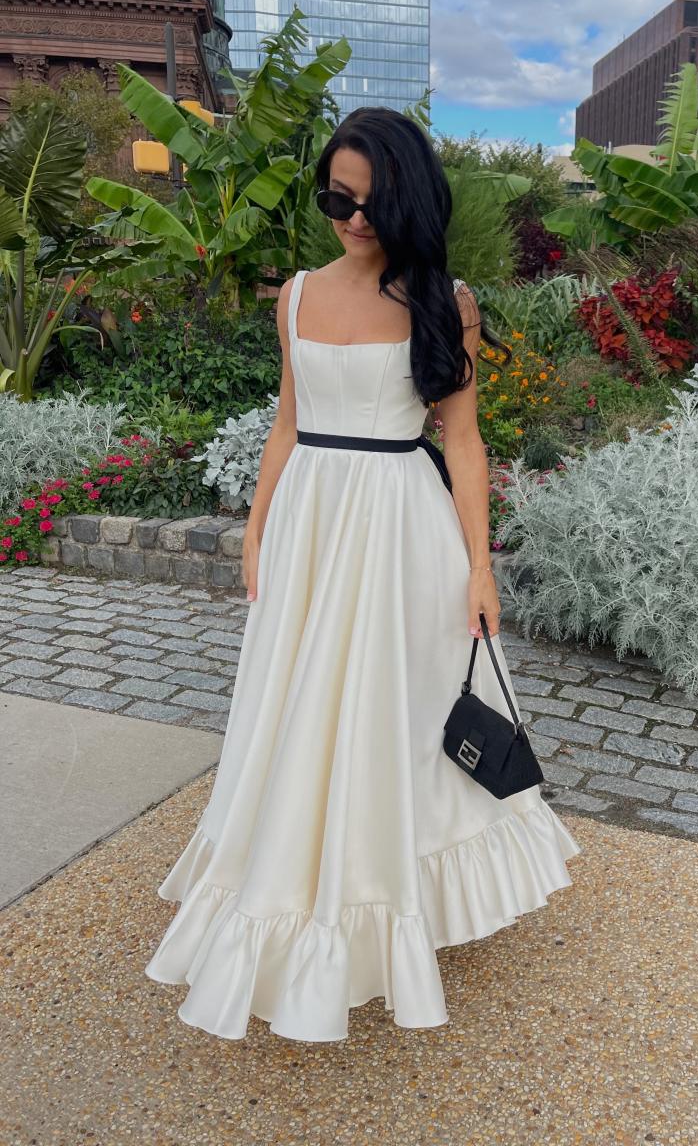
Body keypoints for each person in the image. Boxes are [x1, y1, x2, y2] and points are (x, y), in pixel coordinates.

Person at [144, 106, 582, 1042]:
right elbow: (286, 423)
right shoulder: (295, 295)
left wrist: (481, 566)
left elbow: (463, 443)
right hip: (309, 525)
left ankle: (390, 890)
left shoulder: (443, 300)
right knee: (293, 700)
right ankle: (289, 872)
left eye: (372, 199)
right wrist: (257, 529)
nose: (353, 217)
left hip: (401, 529)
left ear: (410, 195)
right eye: (336, 197)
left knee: (399, 711)